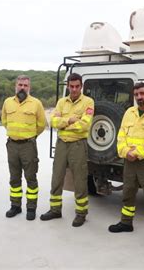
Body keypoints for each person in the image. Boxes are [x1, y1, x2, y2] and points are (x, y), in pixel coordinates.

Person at [107, 82, 144, 249]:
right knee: (128, 192)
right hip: (129, 161)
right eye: (136, 95)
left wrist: (136, 153)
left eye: (142, 94)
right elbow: (121, 135)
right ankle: (126, 223)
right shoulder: (129, 112)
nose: (139, 97)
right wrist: (125, 151)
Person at [40, 73, 94, 227]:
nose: (74, 89)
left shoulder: (88, 102)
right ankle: (55, 210)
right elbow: (53, 121)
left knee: (79, 179)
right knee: (57, 177)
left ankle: (81, 213)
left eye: (77, 86)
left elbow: (84, 125)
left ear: (81, 86)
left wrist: (63, 124)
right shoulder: (62, 102)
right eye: (72, 86)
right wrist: (69, 120)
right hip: (62, 143)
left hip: (78, 144)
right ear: (68, 86)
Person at [1, 75, 46, 221]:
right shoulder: (8, 102)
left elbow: (41, 125)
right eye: (20, 84)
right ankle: (15, 206)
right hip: (12, 145)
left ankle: (31, 208)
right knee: (14, 178)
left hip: (28, 146)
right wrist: (16, 134)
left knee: (31, 178)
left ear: (29, 87)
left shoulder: (36, 103)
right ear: (16, 86)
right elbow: (4, 121)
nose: (22, 87)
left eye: (25, 85)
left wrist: (30, 136)